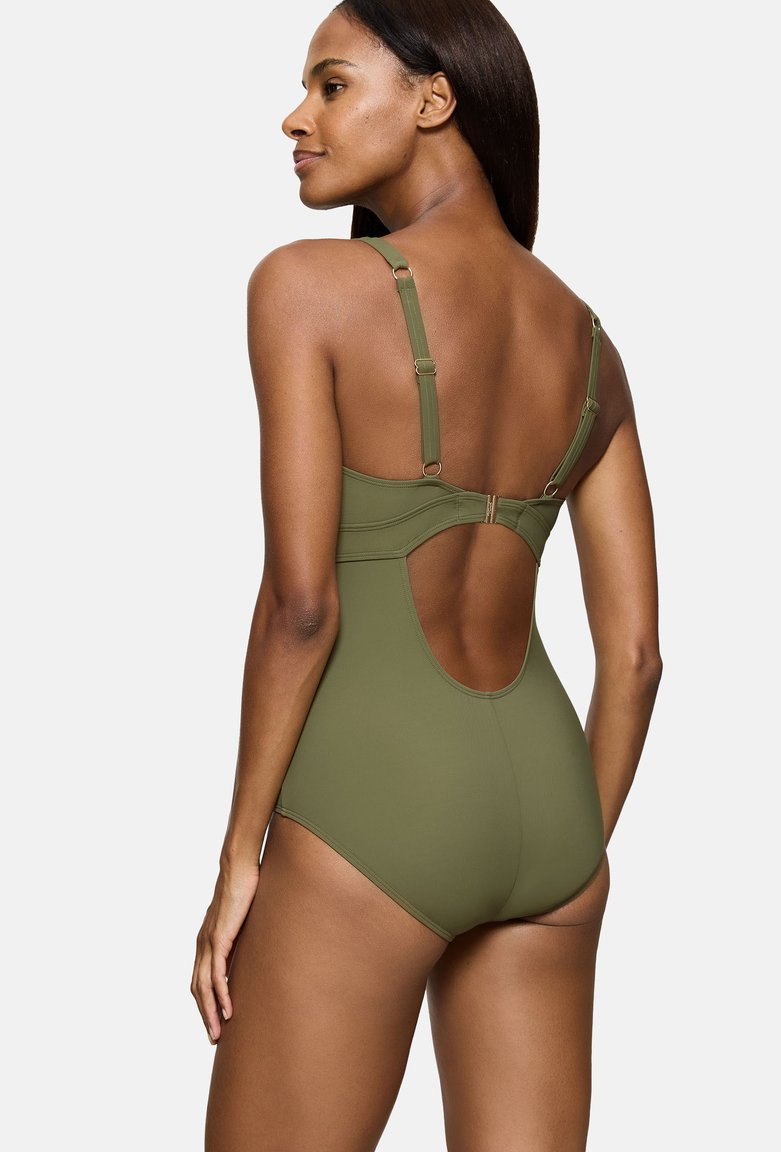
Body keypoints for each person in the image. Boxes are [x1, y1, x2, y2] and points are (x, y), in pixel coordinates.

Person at [191, 1, 662, 1148]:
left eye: (331, 85)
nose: (295, 118)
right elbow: (635, 656)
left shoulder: (305, 287)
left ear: (433, 98)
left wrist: (239, 856)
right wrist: (562, 845)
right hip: (548, 809)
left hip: (375, 801)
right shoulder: (589, 345)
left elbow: (302, 605)